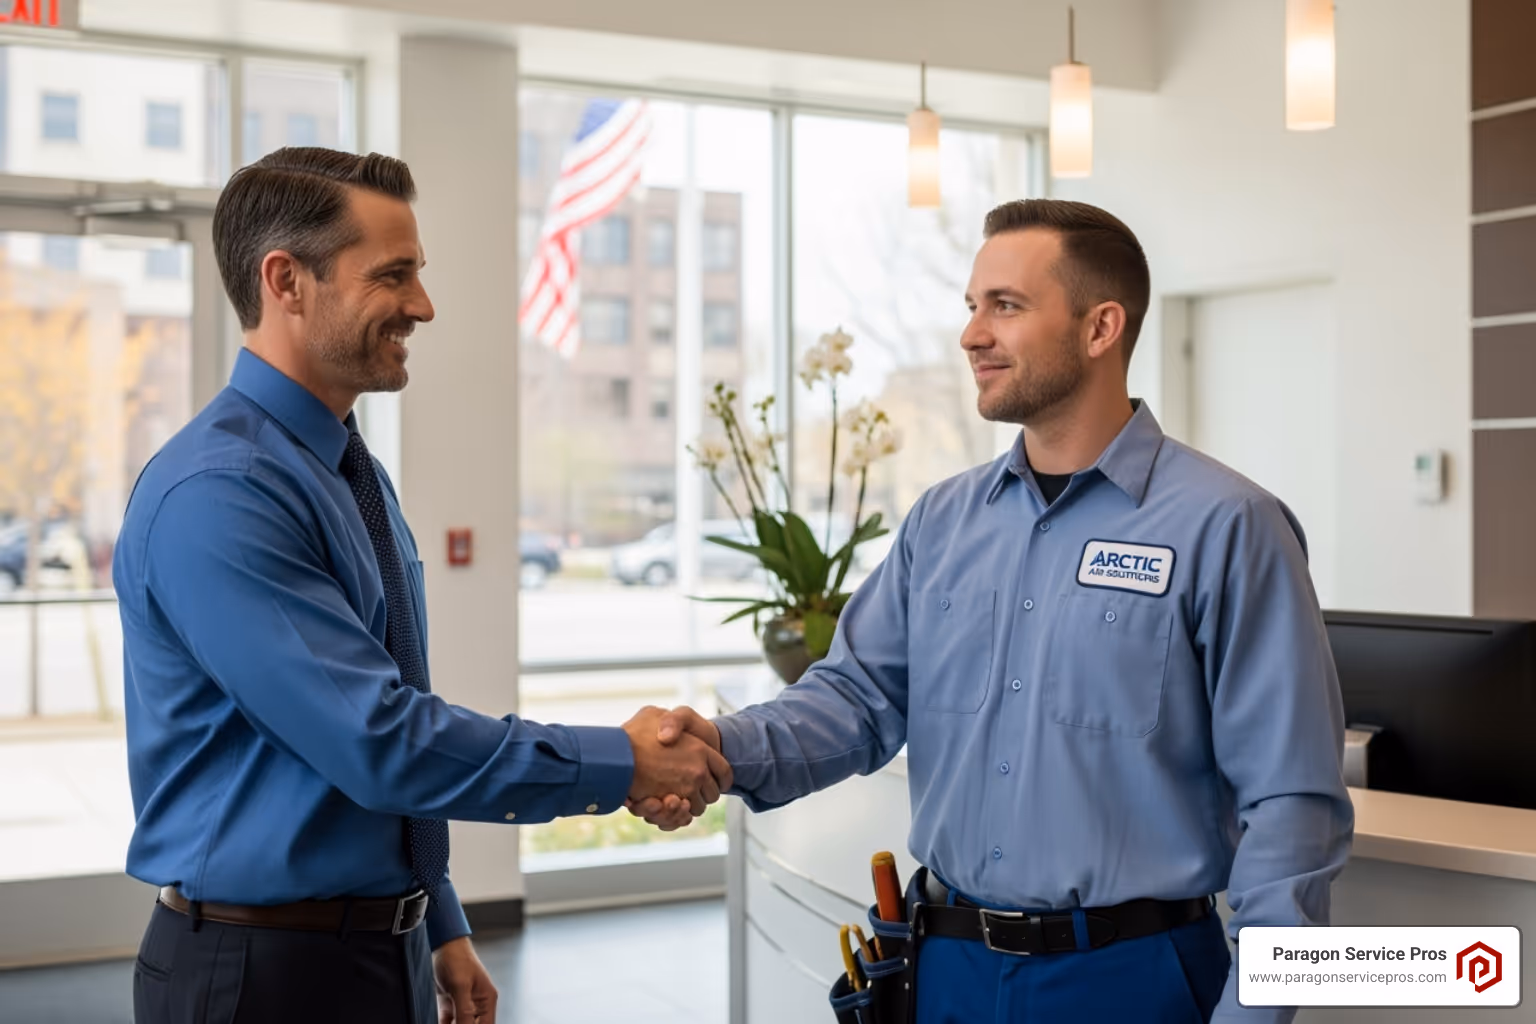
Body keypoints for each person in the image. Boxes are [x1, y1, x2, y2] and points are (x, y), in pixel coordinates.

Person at [632, 199, 1354, 1023]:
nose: (972, 334)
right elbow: (855, 702)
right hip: (944, 973)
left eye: (1005, 306)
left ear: (1100, 327)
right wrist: (717, 748)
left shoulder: (1229, 526)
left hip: (1135, 981)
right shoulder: (941, 523)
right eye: (972, 307)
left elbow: (1295, 810)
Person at [113, 147, 729, 1024]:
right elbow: (377, 738)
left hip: (373, 950)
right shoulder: (222, 492)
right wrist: (623, 760)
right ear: (287, 280)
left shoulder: (343, 468)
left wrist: (434, 917)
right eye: (393, 275)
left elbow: (385, 694)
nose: (423, 305)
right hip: (258, 976)